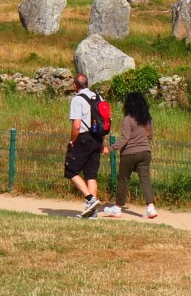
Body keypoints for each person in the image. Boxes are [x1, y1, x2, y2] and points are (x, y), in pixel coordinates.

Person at [103, 92, 158, 219]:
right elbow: (151, 136)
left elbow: (124, 139)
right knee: (145, 180)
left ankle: (117, 208)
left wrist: (110, 148)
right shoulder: (147, 119)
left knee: (123, 180)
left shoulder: (128, 119)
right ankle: (151, 208)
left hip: (129, 153)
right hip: (145, 152)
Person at [66, 73, 106, 218]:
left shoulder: (77, 99)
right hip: (97, 138)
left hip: (83, 138)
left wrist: (72, 141)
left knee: (70, 170)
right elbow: (104, 121)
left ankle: (90, 199)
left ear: (75, 85)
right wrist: (102, 141)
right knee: (91, 174)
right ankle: (92, 213)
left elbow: (76, 125)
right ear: (87, 83)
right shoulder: (99, 97)